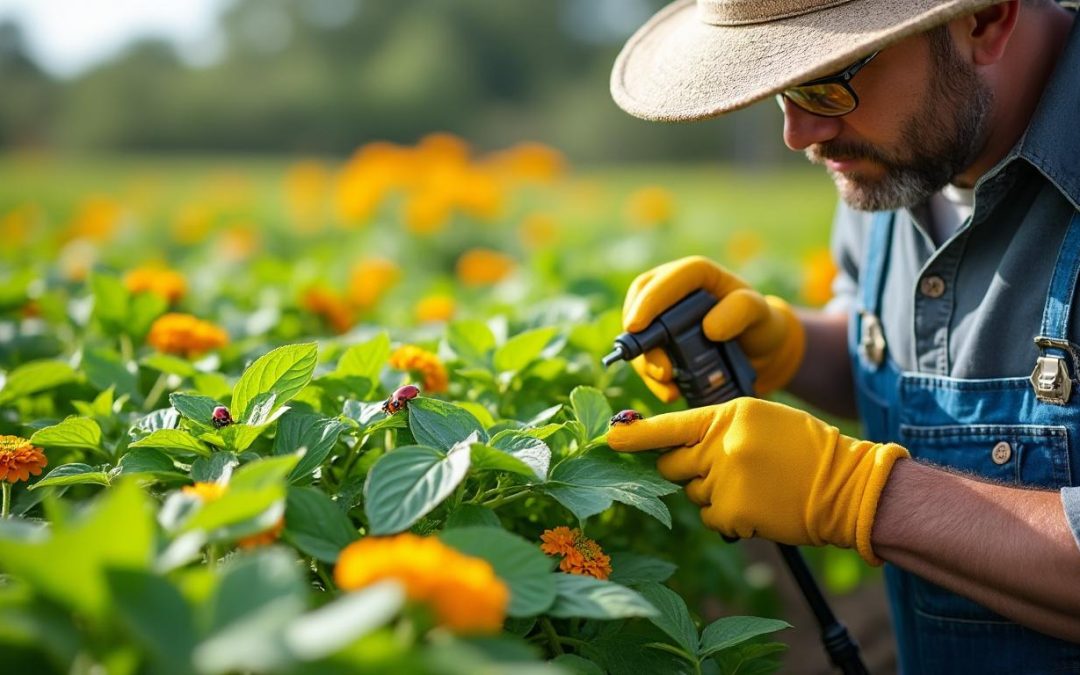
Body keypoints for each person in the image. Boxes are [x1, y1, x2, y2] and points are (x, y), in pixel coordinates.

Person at [605, 0, 1080, 672]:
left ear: (984, 21)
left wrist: (863, 495)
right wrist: (795, 345)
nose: (800, 133)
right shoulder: (896, 148)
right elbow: (914, 357)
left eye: (825, 79)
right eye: (781, 87)